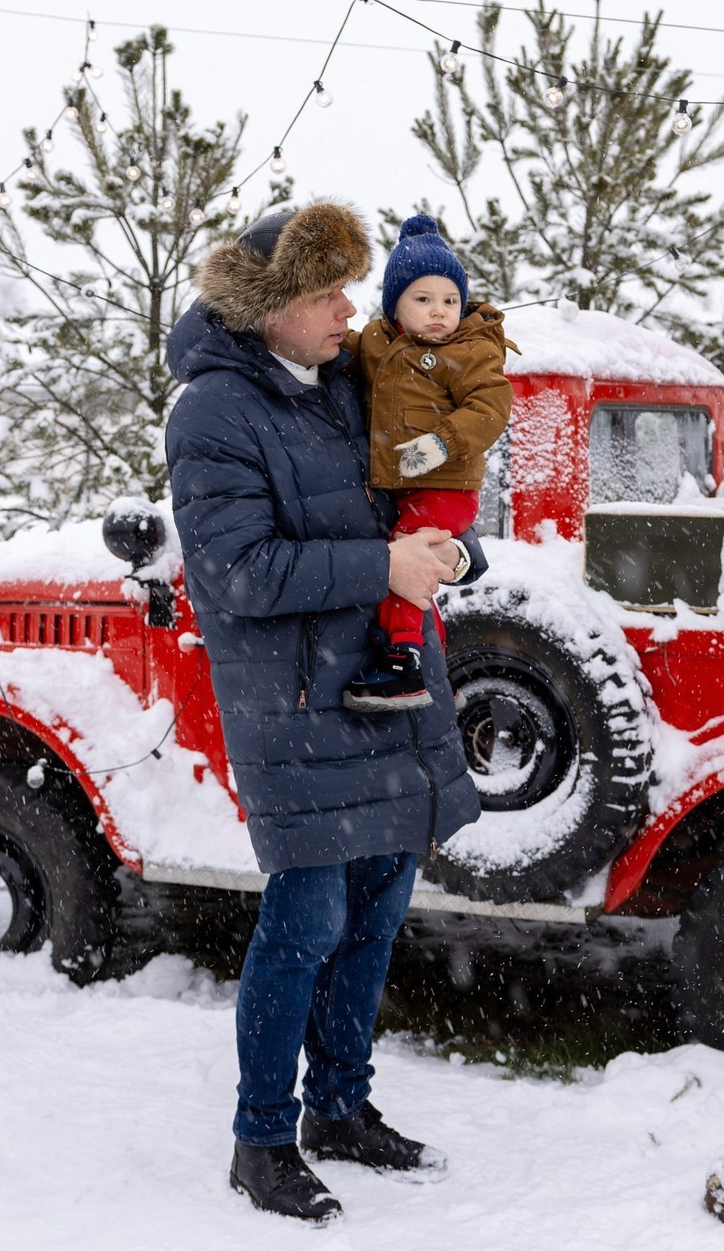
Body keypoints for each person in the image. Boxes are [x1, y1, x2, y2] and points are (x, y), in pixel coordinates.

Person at [164, 200, 484, 1225]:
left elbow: (428, 482)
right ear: (270, 310)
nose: (352, 306)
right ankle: (261, 1138)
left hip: (389, 684)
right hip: (296, 703)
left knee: (379, 910)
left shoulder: (354, 379)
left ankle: (339, 1106)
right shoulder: (212, 413)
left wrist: (453, 552)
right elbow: (238, 571)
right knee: (304, 922)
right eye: (327, 292)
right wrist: (380, 563)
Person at [341, 214, 514, 712]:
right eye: (423, 299)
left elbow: (490, 408)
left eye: (450, 300)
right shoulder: (377, 342)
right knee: (406, 560)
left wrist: (440, 444)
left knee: (406, 557)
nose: (439, 312)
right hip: (401, 486)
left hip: (446, 486)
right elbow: (345, 350)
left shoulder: (469, 351)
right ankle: (434, 665)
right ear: (395, 305)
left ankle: (402, 661)